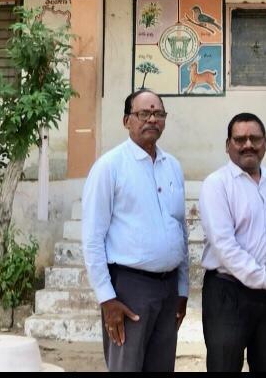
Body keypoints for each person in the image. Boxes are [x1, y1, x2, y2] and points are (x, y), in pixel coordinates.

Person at [81, 90, 189, 372]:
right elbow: (93, 239)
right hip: (129, 290)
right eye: (144, 113)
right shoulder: (109, 167)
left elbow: (180, 229)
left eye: (158, 114)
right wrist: (107, 299)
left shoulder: (173, 167)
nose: (152, 119)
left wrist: (182, 289)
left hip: (167, 289)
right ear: (126, 120)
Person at [198, 112, 266, 372]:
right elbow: (226, 249)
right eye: (240, 139)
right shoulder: (217, 185)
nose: (248, 145)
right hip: (228, 295)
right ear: (228, 145)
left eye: (255, 138)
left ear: (265, 143)